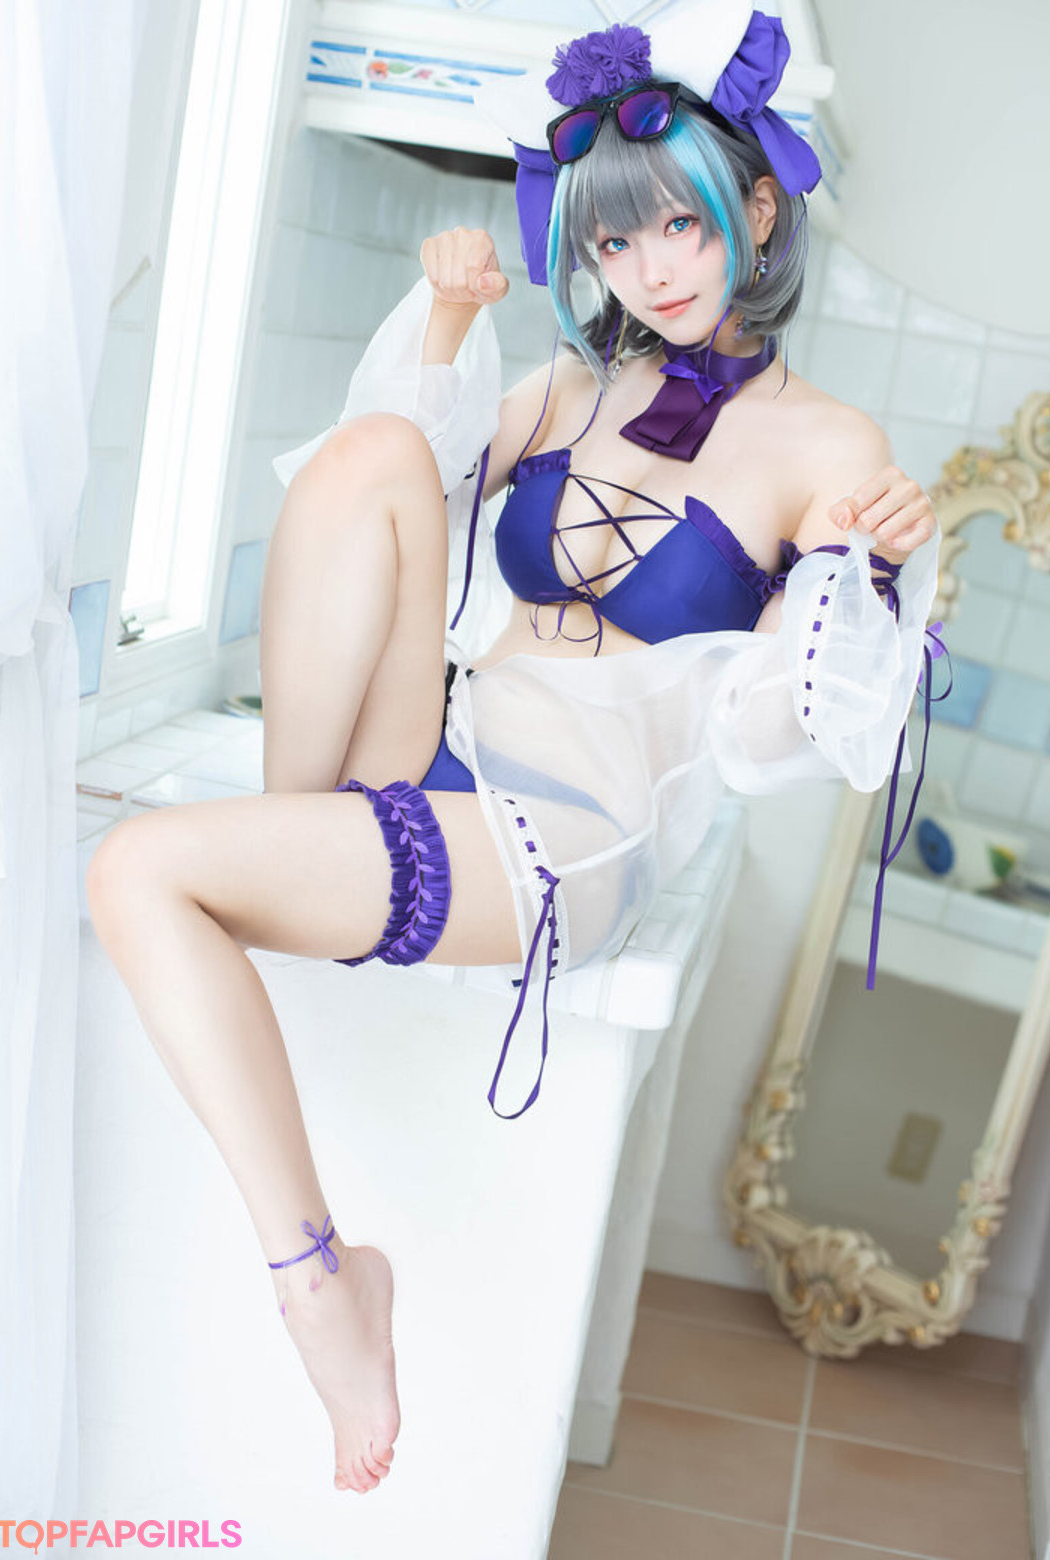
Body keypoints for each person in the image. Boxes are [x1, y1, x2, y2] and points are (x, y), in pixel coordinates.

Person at [86, 4, 939, 1500]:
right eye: (615, 241)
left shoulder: (831, 446)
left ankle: (321, 1286)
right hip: (439, 735)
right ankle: (298, 828)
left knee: (138, 872)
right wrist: (447, 324)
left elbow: (764, 737)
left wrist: (853, 577)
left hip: (567, 826)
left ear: (755, 212)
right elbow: (374, 511)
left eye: (679, 225)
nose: (650, 269)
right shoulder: (570, 387)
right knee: (377, 451)